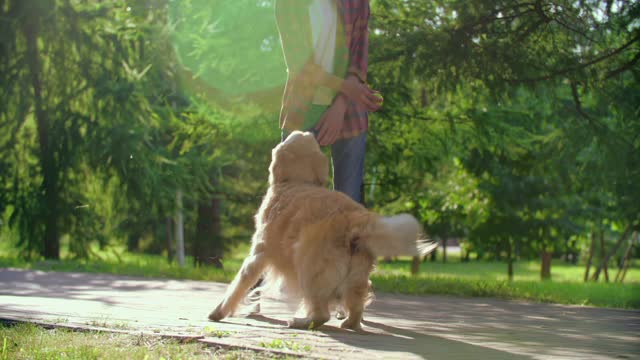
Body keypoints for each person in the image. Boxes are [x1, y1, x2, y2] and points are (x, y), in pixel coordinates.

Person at [275, 0, 380, 204]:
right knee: (294, 203)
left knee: (348, 205)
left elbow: (359, 56)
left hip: (349, 108)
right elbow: (300, 65)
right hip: (303, 110)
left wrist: (341, 103)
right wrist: (346, 87)